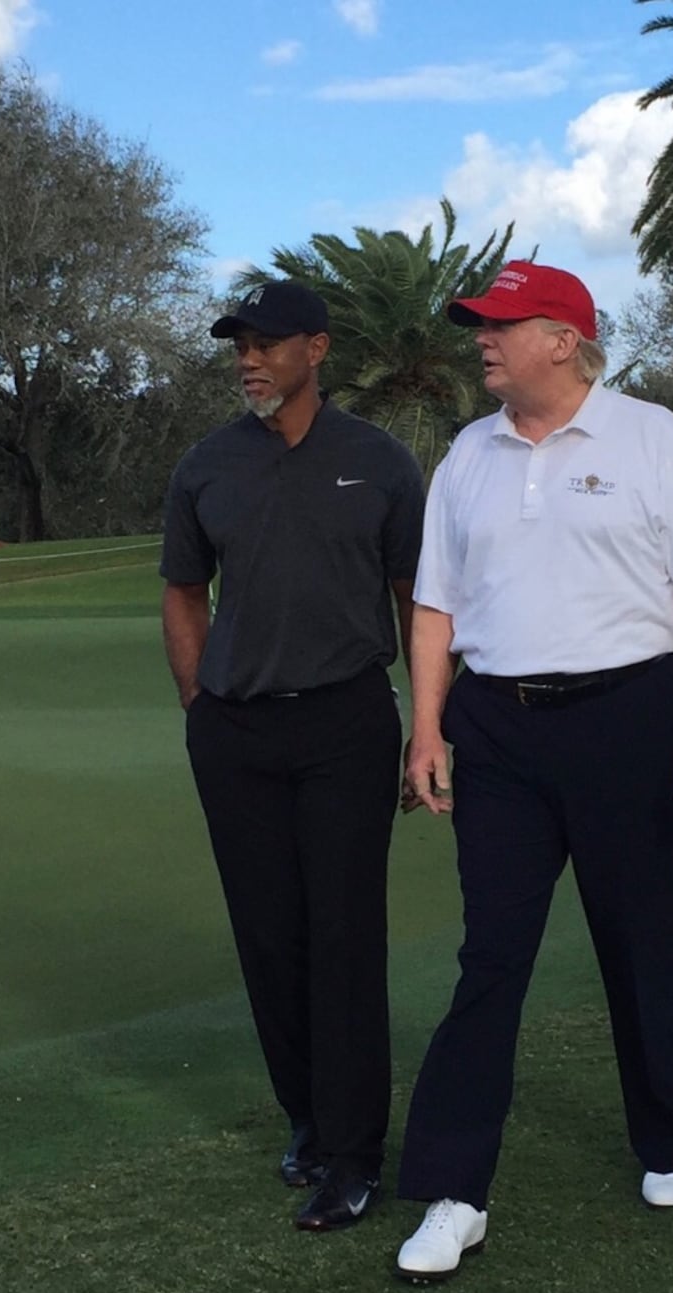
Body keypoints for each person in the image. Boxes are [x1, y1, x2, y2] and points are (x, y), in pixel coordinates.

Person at [394, 260, 673, 1282]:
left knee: (641, 945)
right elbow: (434, 607)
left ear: (564, 339)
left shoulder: (652, 435)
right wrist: (428, 724)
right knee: (490, 954)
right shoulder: (469, 452)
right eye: (479, 325)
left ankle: (664, 1139)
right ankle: (455, 1191)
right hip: (498, 726)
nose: (482, 340)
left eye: (503, 324)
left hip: (630, 714)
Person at [160, 281, 424, 1232]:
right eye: (239, 344)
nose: (248, 359)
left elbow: (416, 599)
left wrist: (427, 722)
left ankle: (355, 1157)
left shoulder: (381, 463)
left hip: (346, 724)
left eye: (266, 343)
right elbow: (185, 593)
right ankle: (311, 1123)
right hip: (236, 732)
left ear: (317, 349)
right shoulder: (206, 466)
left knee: (345, 938)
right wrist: (199, 704)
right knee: (270, 939)